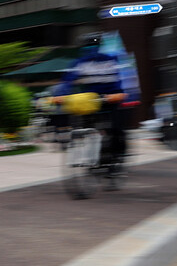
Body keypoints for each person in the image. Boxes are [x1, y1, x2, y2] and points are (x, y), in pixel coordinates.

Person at [52, 31, 130, 173]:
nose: (91, 51)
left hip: (111, 100)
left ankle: (117, 159)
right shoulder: (79, 62)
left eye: (93, 46)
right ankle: (90, 156)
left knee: (116, 130)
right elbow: (67, 81)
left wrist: (120, 94)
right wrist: (61, 95)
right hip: (91, 101)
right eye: (88, 47)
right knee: (82, 125)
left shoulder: (111, 60)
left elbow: (122, 81)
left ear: (100, 47)